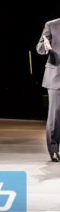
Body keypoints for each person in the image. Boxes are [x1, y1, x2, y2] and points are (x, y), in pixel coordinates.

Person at [37, 18, 60, 162]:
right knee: (55, 116)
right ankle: (53, 149)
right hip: (57, 76)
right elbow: (39, 48)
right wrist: (46, 46)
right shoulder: (51, 25)